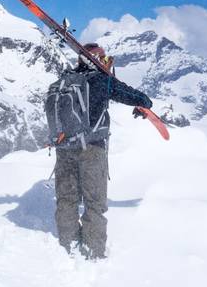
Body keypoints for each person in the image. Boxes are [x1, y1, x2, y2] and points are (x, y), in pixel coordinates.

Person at [45, 42, 153, 260]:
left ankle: (68, 246)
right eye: (104, 59)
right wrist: (143, 105)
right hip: (92, 149)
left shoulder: (65, 80)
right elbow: (139, 97)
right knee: (94, 203)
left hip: (65, 148)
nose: (107, 63)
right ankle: (94, 252)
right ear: (97, 61)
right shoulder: (101, 81)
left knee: (66, 199)